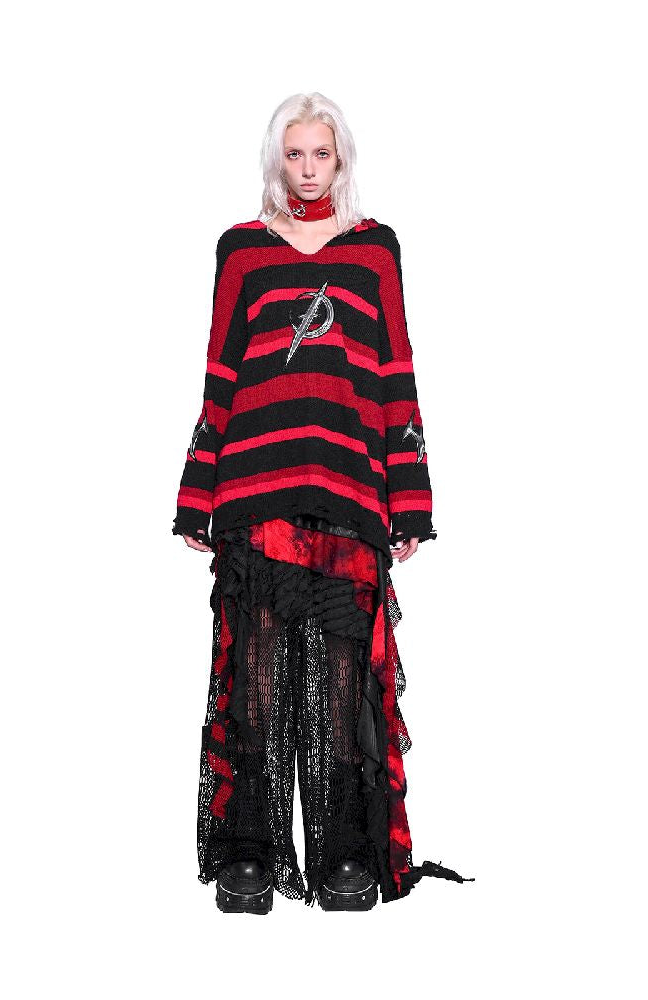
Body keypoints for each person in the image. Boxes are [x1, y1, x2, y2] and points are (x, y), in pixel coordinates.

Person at [172, 92, 473, 913]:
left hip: (347, 480)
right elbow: (221, 370)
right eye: (295, 154)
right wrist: (197, 492)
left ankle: (344, 850)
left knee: (343, 674)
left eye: (322, 154)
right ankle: (248, 851)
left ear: (342, 159)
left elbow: (395, 369)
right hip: (255, 481)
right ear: (278, 159)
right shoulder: (242, 249)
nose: (308, 169)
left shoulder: (375, 249)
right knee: (257, 671)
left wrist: (410, 498)